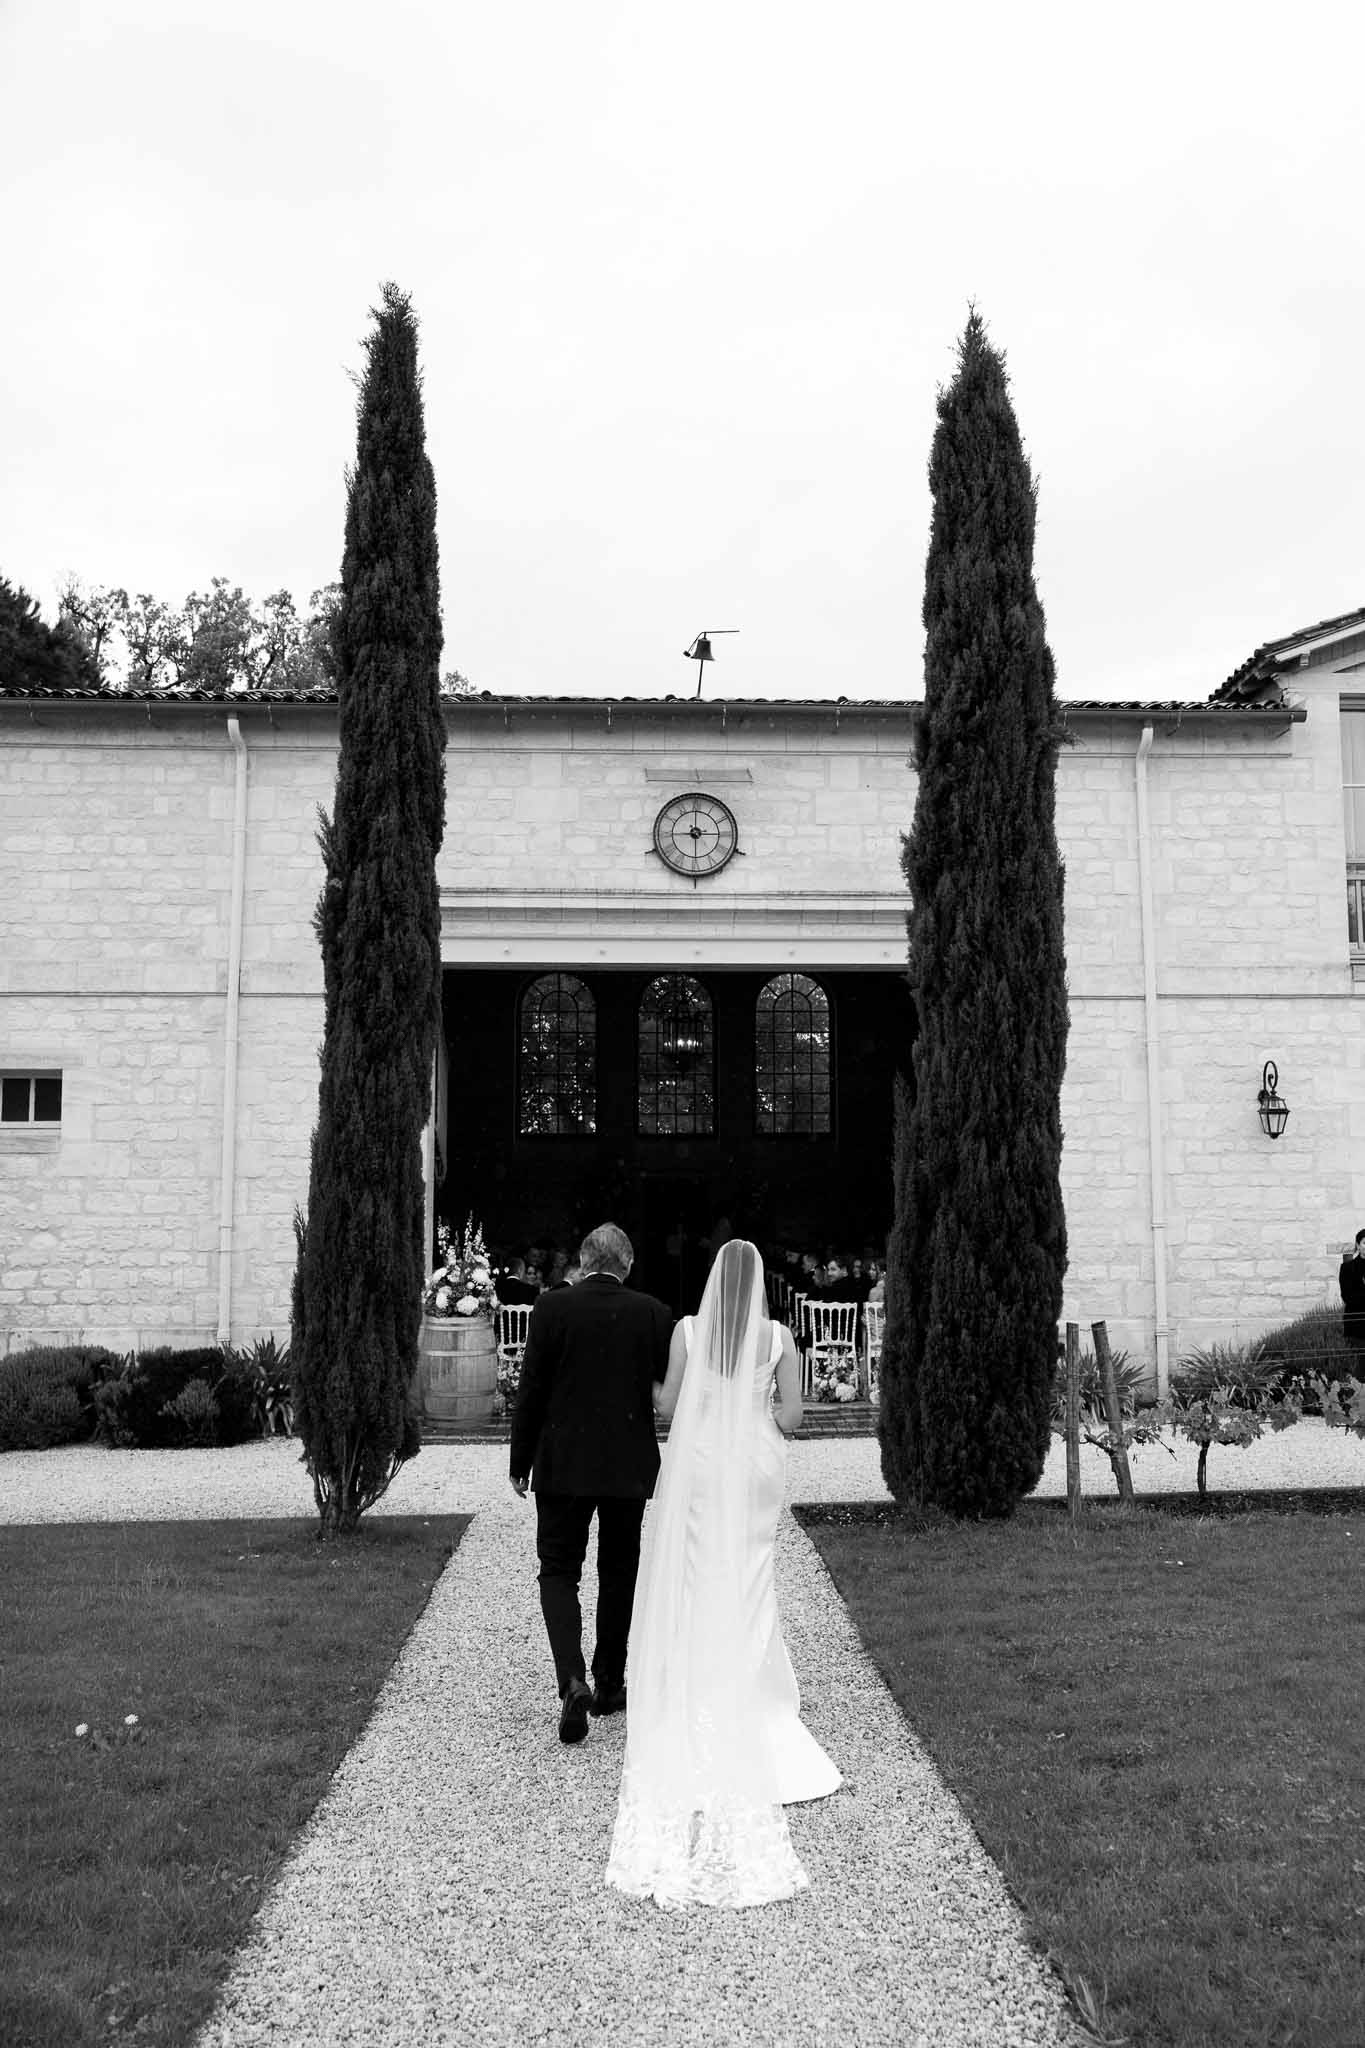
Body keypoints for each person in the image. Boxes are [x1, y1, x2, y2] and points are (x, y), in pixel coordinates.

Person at [605, 1239, 841, 1910]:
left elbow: (671, 1411)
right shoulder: (776, 1337)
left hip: (705, 1463)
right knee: (752, 1576)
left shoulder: (686, 1330)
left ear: (713, 1280)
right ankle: (755, 1698)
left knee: (696, 1573)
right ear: (760, 1282)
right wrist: (757, 1409)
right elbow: (792, 1418)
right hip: (756, 1466)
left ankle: (698, 1686)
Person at [509, 1223, 672, 1744]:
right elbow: (662, 1393)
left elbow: (531, 1389)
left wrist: (520, 1460)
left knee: (558, 1570)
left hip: (563, 1461)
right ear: (627, 1264)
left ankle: (571, 1678)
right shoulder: (653, 1314)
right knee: (619, 1571)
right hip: (626, 1462)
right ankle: (609, 1683)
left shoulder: (552, 1309)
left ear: (583, 1261)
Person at [1339, 1229, 1365, 1376]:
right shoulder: (1347, 1268)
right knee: (1361, 1370)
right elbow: (1348, 1297)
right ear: (1358, 1245)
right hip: (1357, 1327)